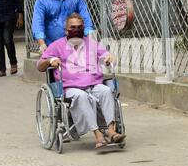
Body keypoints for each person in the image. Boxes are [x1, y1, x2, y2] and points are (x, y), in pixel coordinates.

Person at [37, 13, 126, 149]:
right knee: (81, 96)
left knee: (106, 90)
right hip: (71, 88)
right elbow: (40, 65)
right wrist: (51, 60)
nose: (76, 30)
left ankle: (112, 131)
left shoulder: (92, 44)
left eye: (79, 27)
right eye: (73, 27)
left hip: (94, 84)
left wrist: (109, 58)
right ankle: (97, 134)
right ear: (66, 30)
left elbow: (105, 55)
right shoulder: (57, 45)